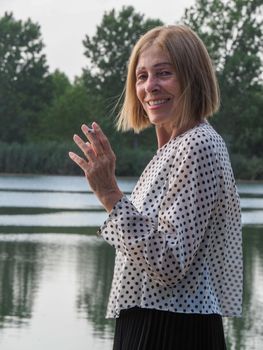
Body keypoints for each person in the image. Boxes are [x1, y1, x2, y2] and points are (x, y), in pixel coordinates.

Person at [69, 25, 243, 350]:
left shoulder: (198, 145)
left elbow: (168, 263)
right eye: (142, 76)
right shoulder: (172, 151)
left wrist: (109, 194)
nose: (150, 86)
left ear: (192, 78)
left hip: (172, 330)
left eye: (163, 73)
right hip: (153, 322)